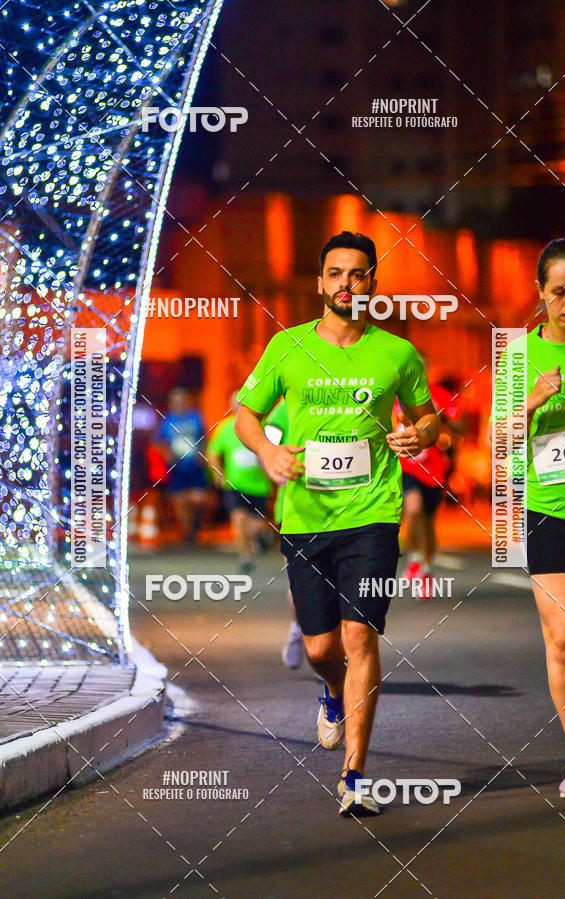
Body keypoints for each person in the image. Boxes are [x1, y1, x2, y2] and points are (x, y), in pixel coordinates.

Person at [234, 231, 438, 816]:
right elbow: (245, 414)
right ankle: (330, 690)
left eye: (358, 273)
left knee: (359, 637)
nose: (347, 283)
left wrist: (418, 435)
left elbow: (431, 423)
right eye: (336, 273)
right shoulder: (287, 347)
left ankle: (355, 775)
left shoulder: (397, 353)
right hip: (305, 516)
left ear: (372, 282)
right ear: (320, 282)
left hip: (372, 514)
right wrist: (269, 454)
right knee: (324, 647)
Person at [495, 238, 565, 799]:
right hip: (547, 510)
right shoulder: (516, 354)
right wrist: (531, 401)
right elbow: (498, 441)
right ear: (539, 292)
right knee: (562, 642)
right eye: (558, 291)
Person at [393, 357, 465, 594]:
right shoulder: (394, 395)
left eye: (421, 365)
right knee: (412, 510)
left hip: (433, 467)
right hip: (406, 465)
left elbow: (460, 426)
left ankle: (425, 567)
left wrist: (442, 416)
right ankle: (414, 558)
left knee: (428, 521)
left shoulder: (439, 395)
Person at [207, 394, 273, 573]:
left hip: (259, 486)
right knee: (238, 520)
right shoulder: (226, 427)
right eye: (236, 404)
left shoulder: (264, 426)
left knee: (256, 525)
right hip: (234, 485)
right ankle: (245, 557)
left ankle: (262, 535)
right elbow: (213, 452)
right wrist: (218, 473)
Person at [264, 399, 305, 669]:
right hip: (295, 505)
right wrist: (272, 459)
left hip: (348, 506)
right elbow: (268, 439)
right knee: (300, 579)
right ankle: (299, 627)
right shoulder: (288, 403)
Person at [156, 388, 209, 544]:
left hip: (195, 466)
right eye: (176, 401)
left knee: (199, 498)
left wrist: (202, 455)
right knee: (179, 500)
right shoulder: (167, 421)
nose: (179, 404)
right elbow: (159, 442)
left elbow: (205, 437)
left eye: (182, 401)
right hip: (177, 467)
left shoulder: (196, 418)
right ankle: (189, 533)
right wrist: (167, 455)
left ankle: (196, 524)